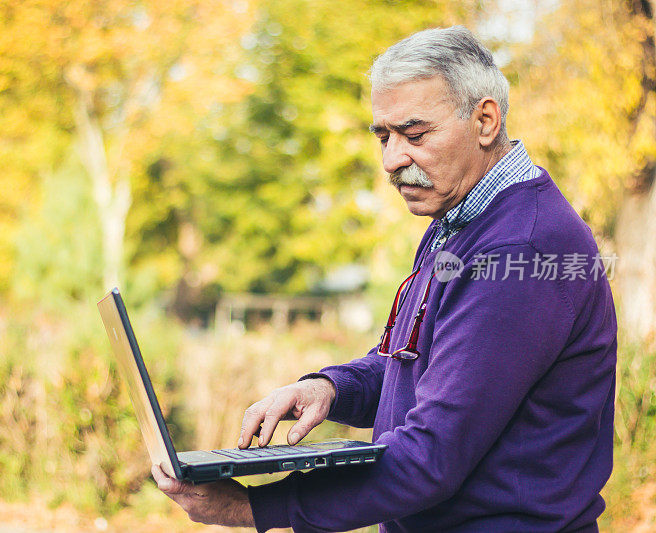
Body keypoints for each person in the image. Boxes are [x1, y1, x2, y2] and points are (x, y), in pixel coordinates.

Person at [152, 25, 617, 532]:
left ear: (485, 120)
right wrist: (331, 388)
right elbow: (414, 364)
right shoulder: (460, 218)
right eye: (383, 136)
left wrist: (255, 508)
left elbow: (430, 457)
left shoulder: (517, 251)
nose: (392, 160)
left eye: (415, 135)